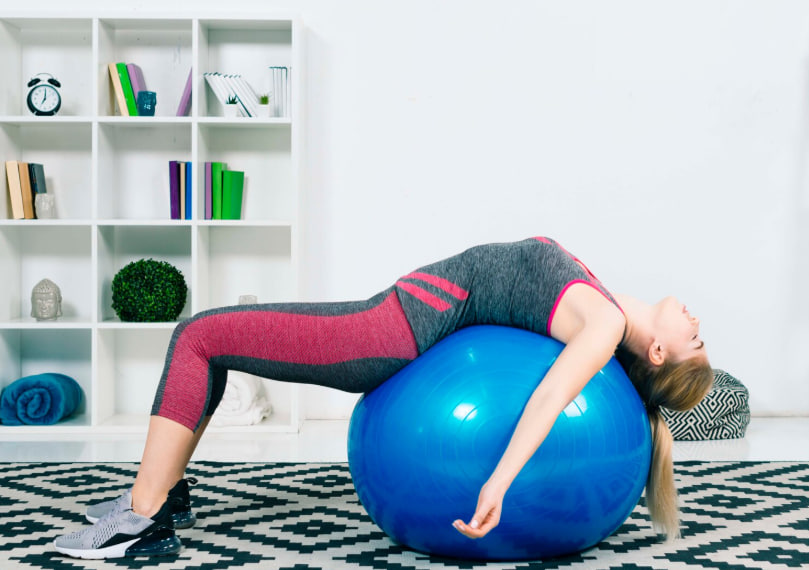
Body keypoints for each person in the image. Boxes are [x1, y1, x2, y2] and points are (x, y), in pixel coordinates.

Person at [53, 236, 713, 559]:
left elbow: (547, 399)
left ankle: (143, 519)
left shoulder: (602, 327)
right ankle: (163, 493)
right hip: (393, 319)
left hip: (386, 333)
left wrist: (497, 484)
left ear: (657, 353)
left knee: (199, 335)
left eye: (696, 339)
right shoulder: (604, 303)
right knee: (206, 338)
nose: (696, 320)